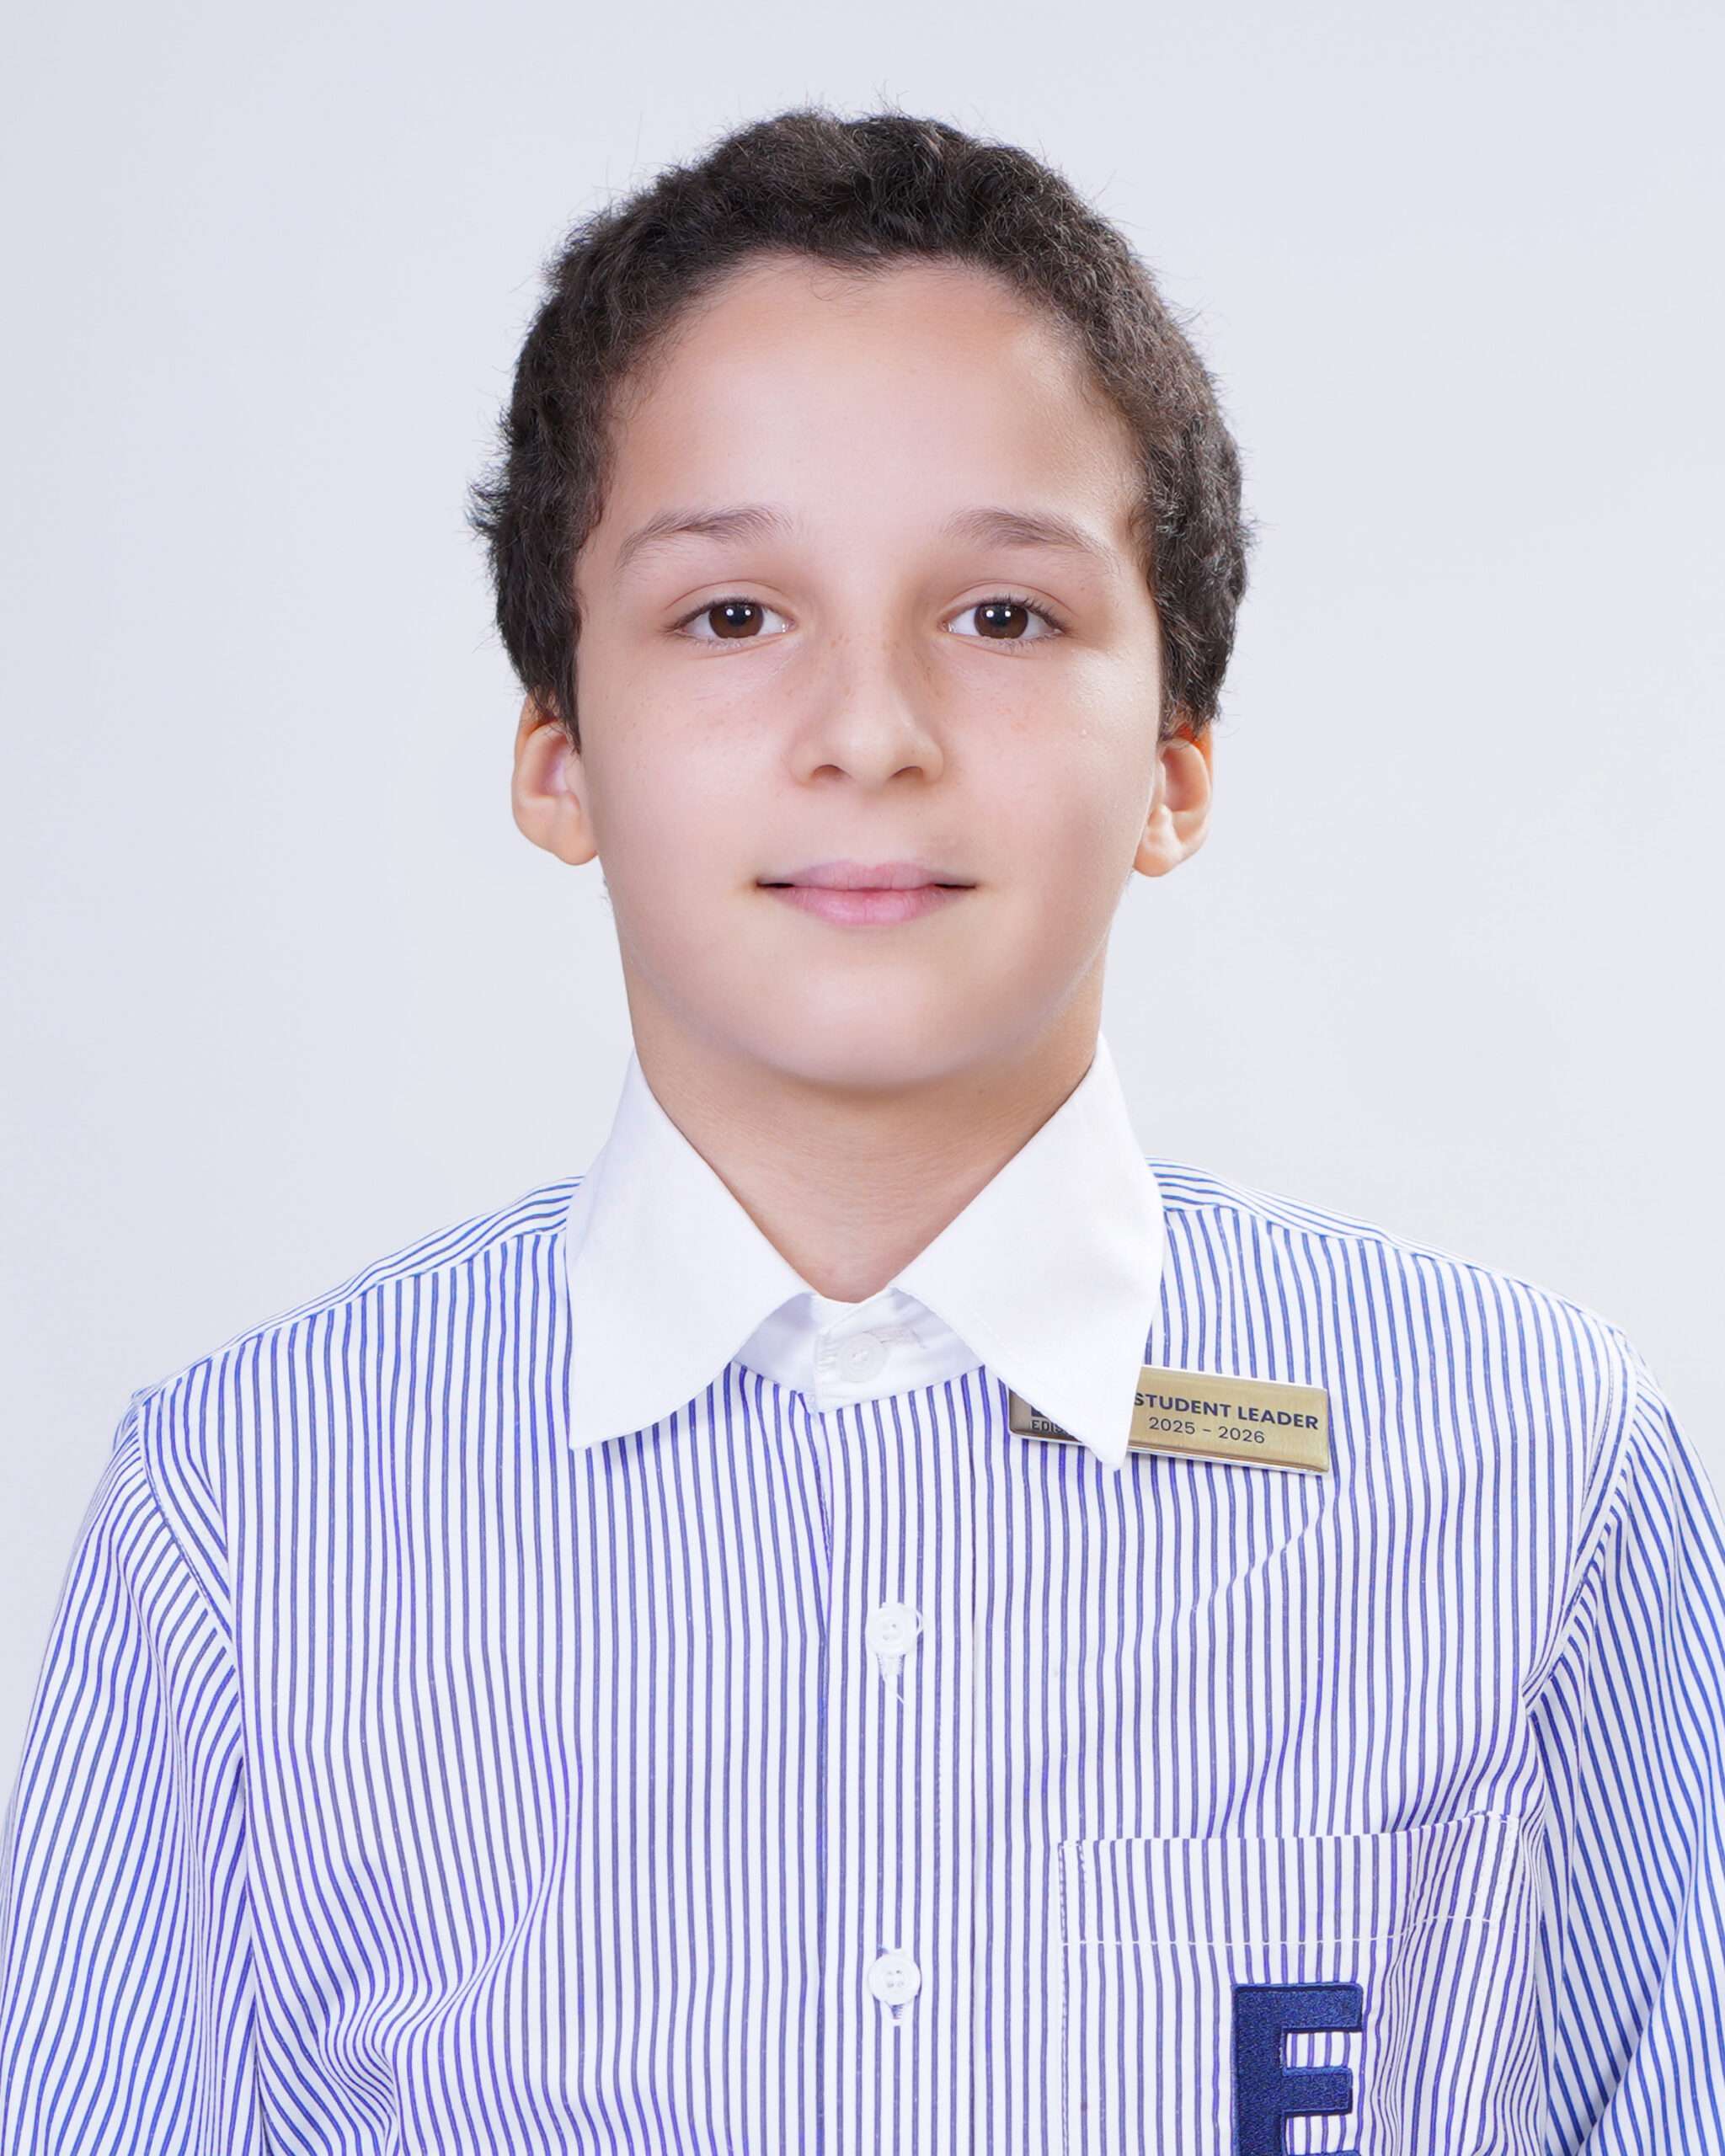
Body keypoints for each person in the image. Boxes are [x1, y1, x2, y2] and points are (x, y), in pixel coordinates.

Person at [1, 108, 1720, 2156]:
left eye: (1002, 617)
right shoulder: (252, 1511)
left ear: (1175, 765)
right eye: (733, 615)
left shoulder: (1524, 1464)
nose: (872, 733)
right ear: (558, 755)